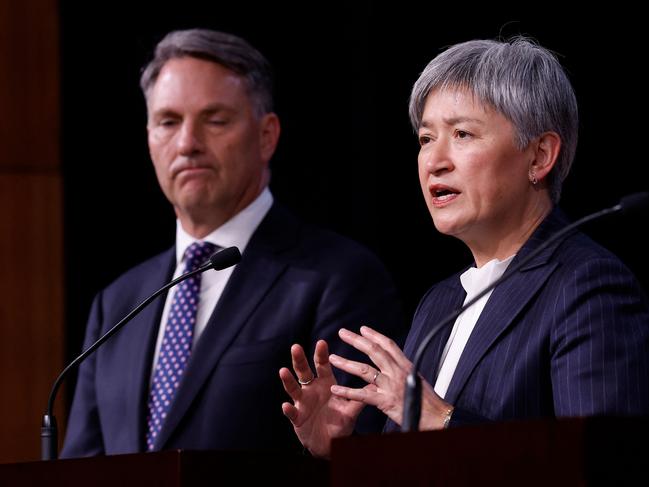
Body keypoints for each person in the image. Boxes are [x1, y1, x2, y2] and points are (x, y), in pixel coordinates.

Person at [280, 36, 649, 458]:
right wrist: (342, 450)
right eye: (425, 138)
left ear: (540, 156)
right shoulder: (441, 304)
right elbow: (424, 468)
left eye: (462, 133)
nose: (435, 160)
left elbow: (602, 466)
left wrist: (441, 420)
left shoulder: (588, 287)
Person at [61, 28, 403, 457]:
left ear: (266, 136)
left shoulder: (339, 277)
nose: (187, 144)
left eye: (215, 120)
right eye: (168, 122)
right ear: (149, 138)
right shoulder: (117, 303)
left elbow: (362, 453)